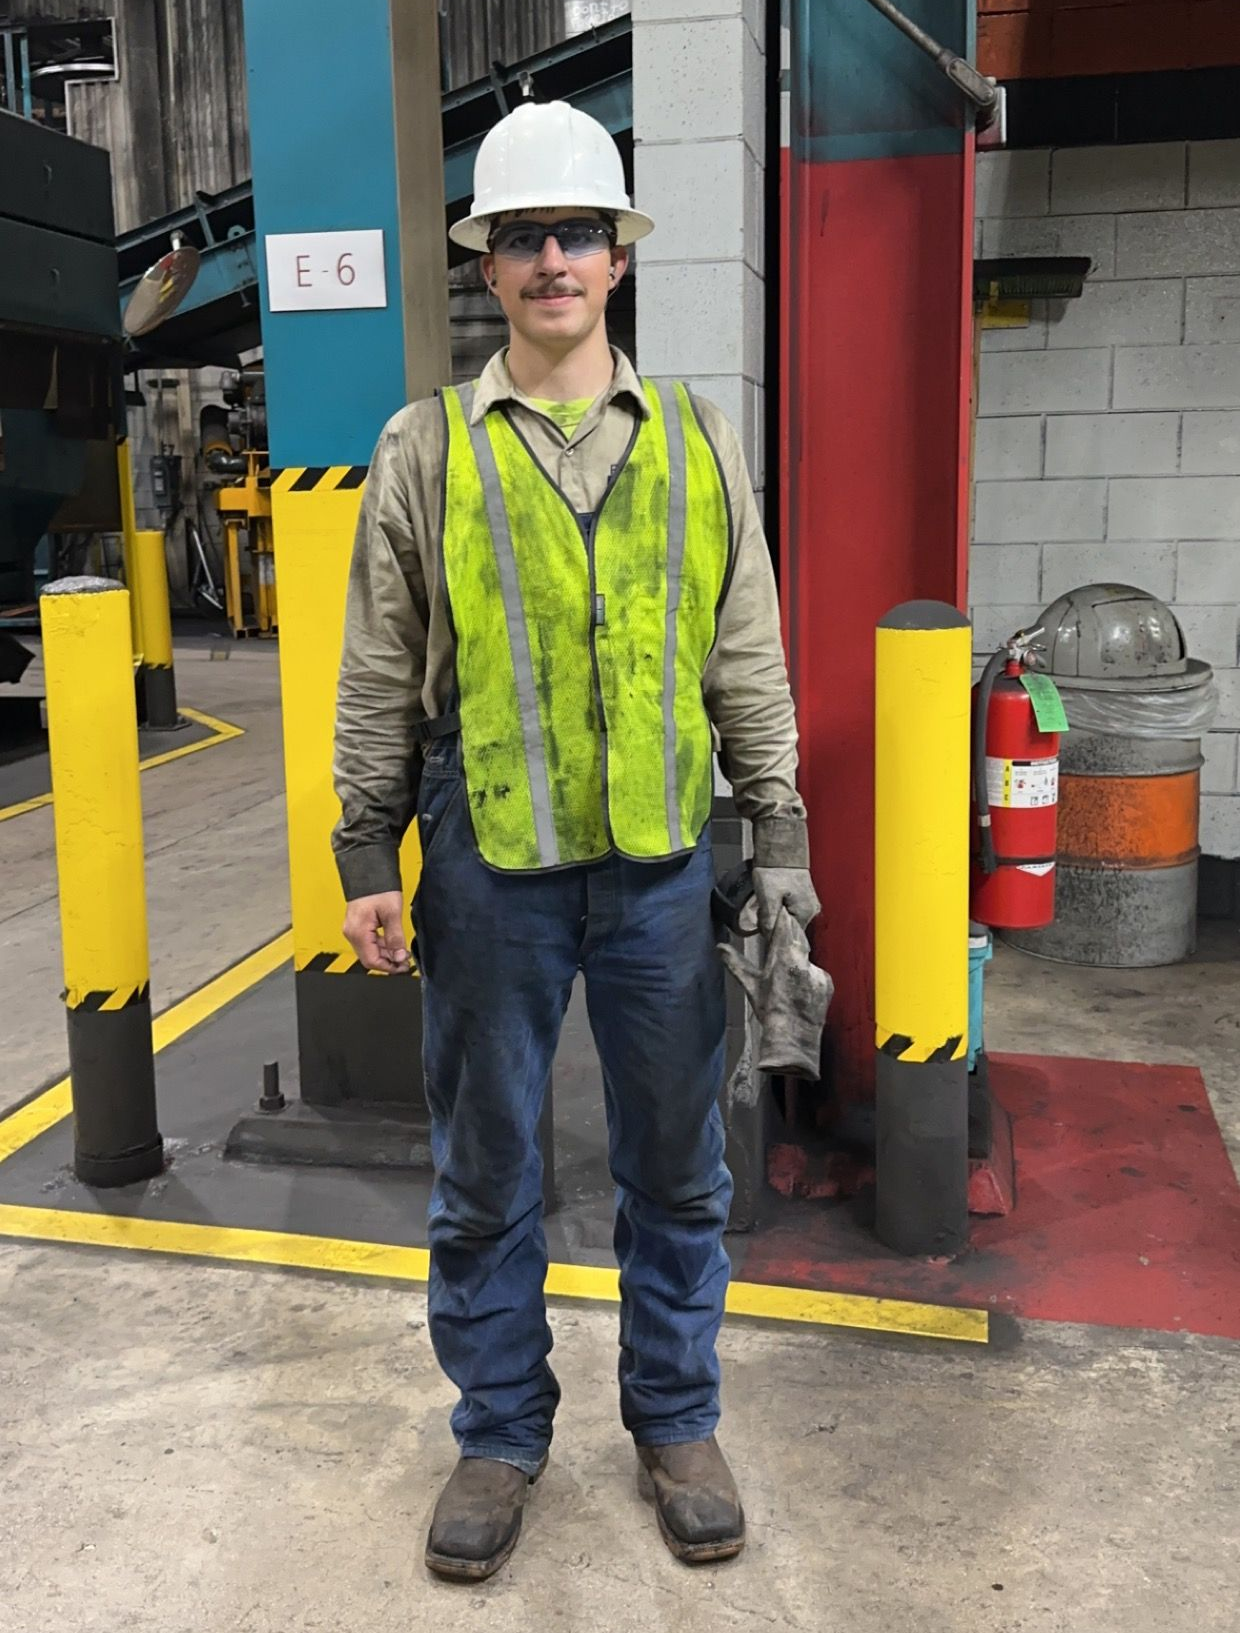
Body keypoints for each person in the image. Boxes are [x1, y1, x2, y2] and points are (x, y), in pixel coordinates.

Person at [333, 99, 816, 1581]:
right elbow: (376, 662)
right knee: (489, 1170)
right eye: (527, 235)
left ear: (616, 260)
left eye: (579, 233)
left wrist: (780, 830)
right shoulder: (425, 449)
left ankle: (676, 1419)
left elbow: (747, 647)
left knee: (679, 1164)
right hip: (487, 869)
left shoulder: (694, 439)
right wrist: (366, 857)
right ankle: (497, 1431)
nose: (554, 258)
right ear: (490, 265)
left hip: (667, 864)